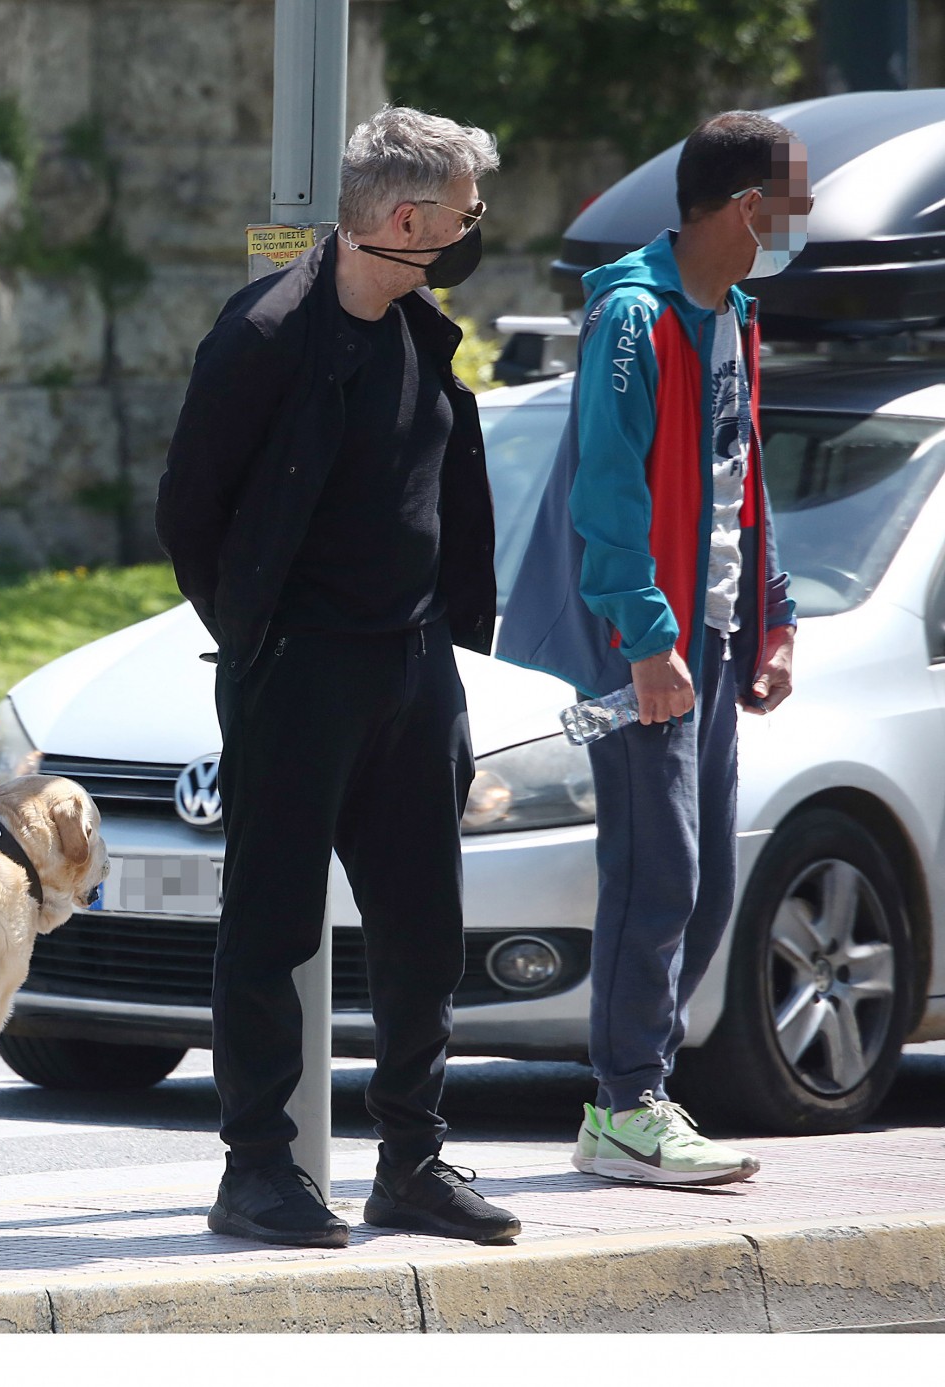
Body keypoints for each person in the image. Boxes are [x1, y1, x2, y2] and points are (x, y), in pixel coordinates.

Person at [154, 107, 519, 1247]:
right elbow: (188, 510)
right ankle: (256, 1168)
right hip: (296, 675)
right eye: (462, 215)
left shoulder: (420, 333)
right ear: (405, 221)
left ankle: (409, 1159)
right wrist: (258, 637)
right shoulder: (263, 335)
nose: (473, 233)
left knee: (422, 927)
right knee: (268, 927)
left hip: (412, 672)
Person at [498, 112, 803, 1185]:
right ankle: (624, 1103)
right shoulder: (633, 317)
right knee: (655, 865)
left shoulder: (730, 314)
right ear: (743, 208)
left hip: (709, 642)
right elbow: (606, 493)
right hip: (643, 645)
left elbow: (736, 477)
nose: (793, 220)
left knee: (707, 874)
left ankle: (638, 1095)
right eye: (787, 200)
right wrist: (645, 638)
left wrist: (770, 616)